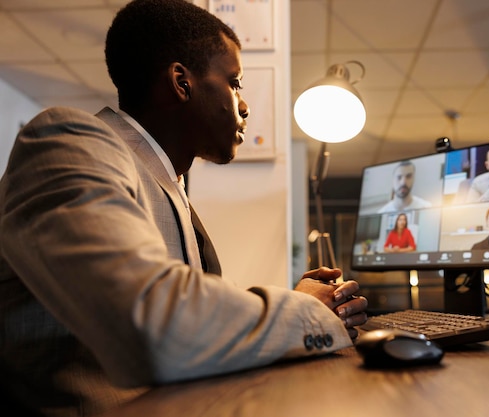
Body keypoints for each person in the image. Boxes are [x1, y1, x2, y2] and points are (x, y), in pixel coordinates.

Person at [0, 1, 368, 416]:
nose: (244, 106)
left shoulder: (168, 184)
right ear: (181, 82)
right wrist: (305, 314)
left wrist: (302, 300)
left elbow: (183, 308)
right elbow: (152, 322)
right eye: (235, 83)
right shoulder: (69, 141)